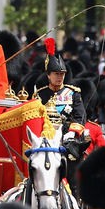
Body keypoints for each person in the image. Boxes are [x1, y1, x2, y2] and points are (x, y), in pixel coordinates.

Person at [34, 38, 87, 194]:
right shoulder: (40, 94)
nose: (60, 77)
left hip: (66, 140)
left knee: (74, 180)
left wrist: (71, 133)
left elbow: (80, 117)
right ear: (48, 75)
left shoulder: (73, 93)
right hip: (45, 139)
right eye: (56, 74)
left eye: (62, 74)